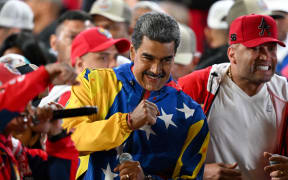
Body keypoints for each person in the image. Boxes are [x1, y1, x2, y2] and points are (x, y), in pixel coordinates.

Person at [62, 12, 209, 179]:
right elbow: (69, 142)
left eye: (166, 60)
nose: (156, 69)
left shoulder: (192, 116)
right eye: (148, 58)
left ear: (174, 57)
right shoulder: (93, 82)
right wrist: (127, 122)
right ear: (132, 52)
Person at [178, 14, 288, 179]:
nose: (266, 56)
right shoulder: (197, 87)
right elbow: (161, 151)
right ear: (232, 54)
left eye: (271, 48)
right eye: (256, 48)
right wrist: (199, 172)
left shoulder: (284, 93)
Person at [0, 62, 79, 179]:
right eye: (21, 100)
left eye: (29, 102)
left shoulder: (17, 154)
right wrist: (45, 74)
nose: (28, 109)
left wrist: (56, 134)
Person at [39, 27, 130, 107]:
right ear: (80, 65)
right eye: (103, 57)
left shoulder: (109, 92)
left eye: (115, 57)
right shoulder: (70, 96)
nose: (114, 64)